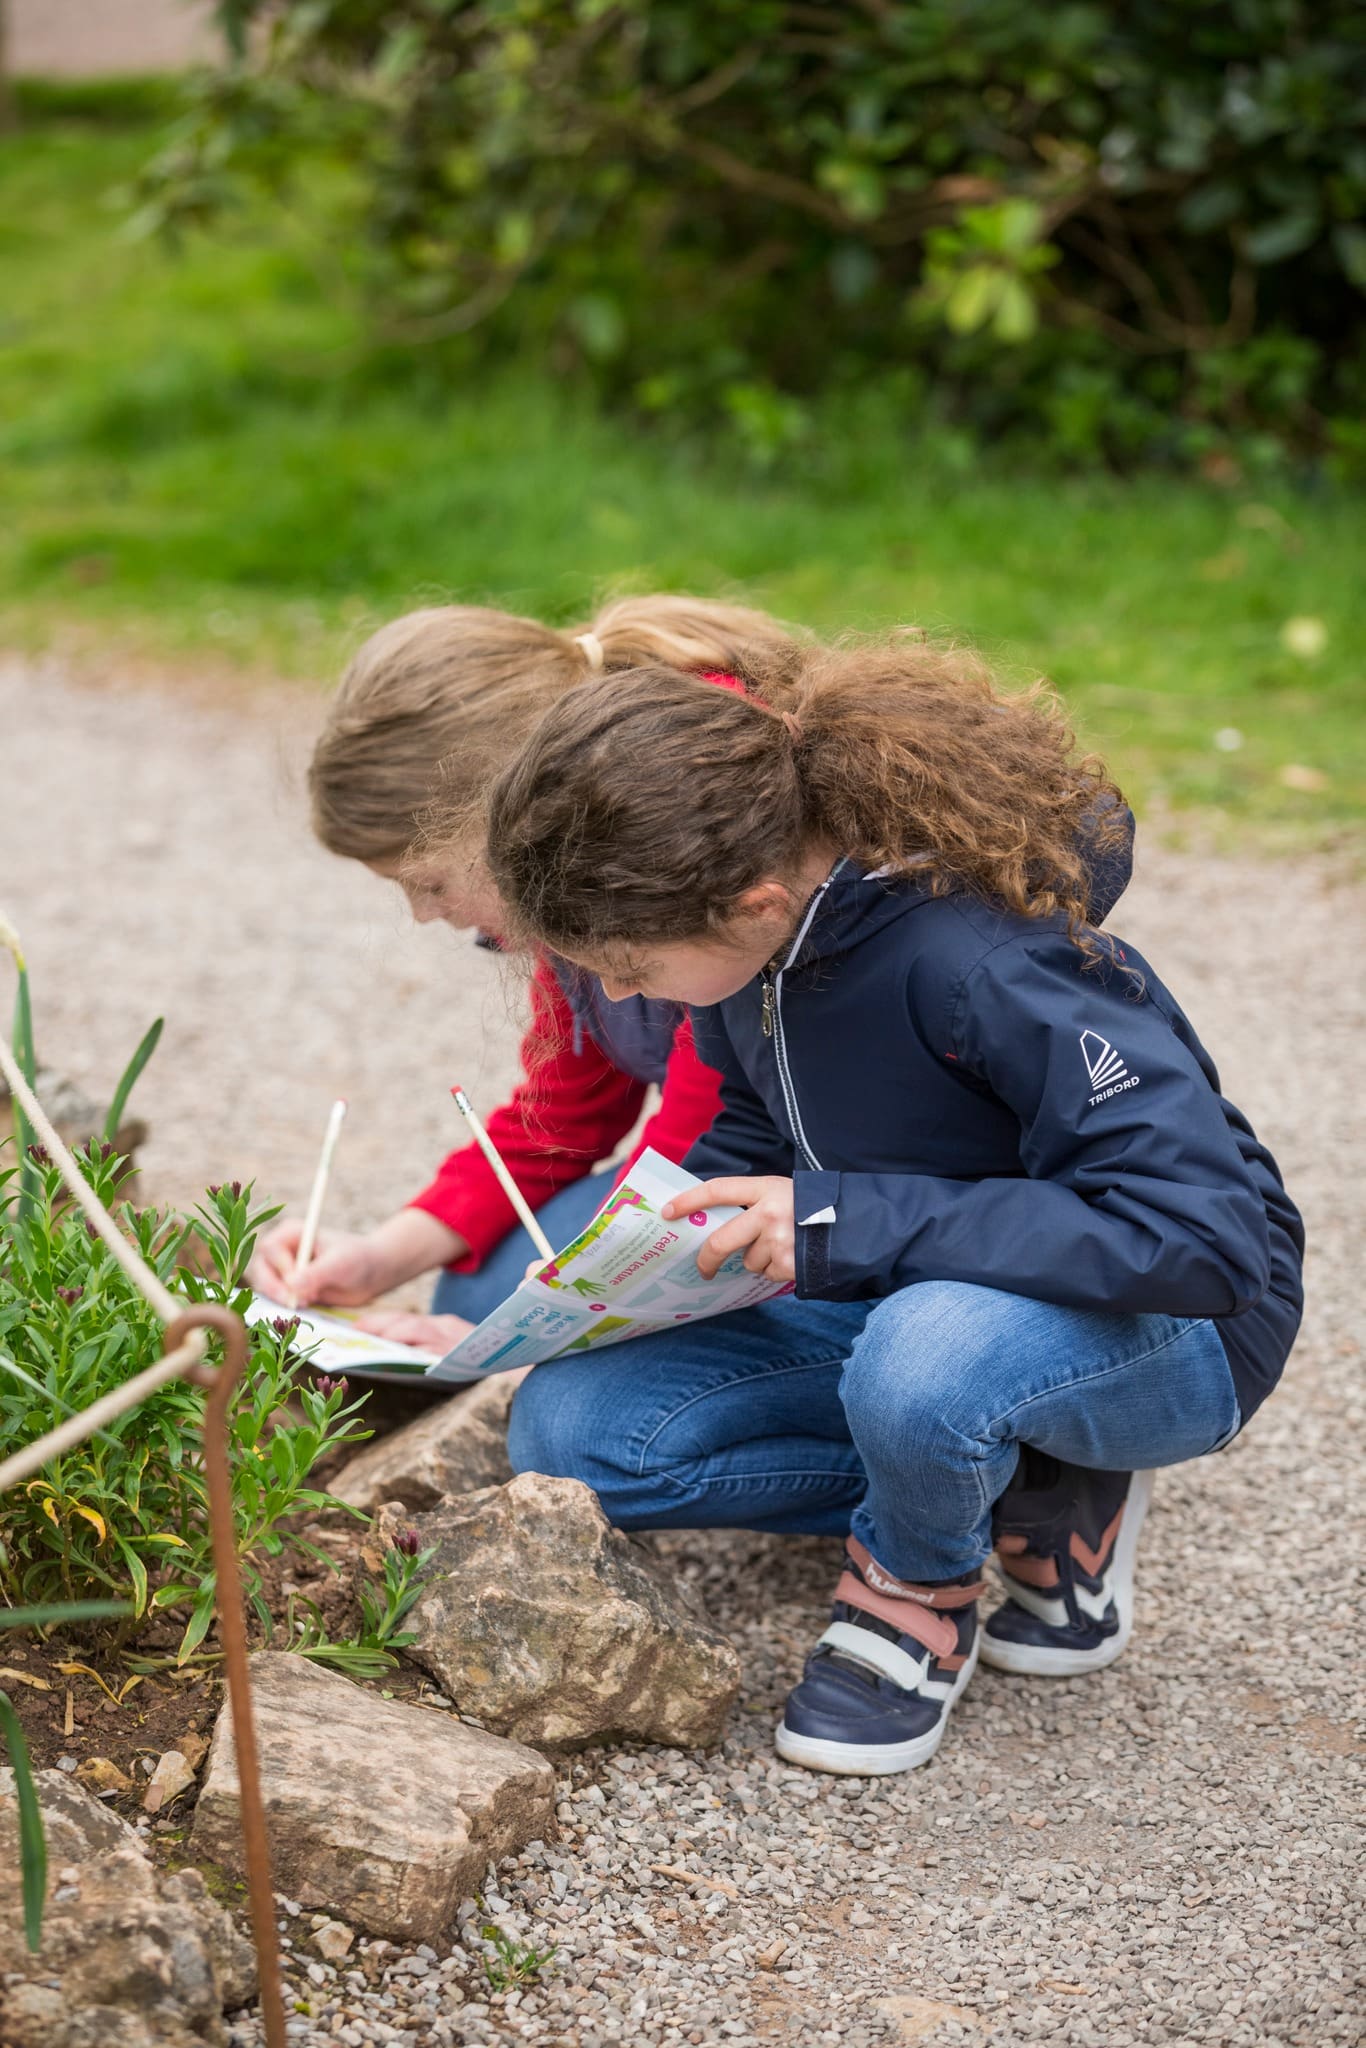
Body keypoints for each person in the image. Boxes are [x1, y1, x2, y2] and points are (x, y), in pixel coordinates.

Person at [477, 638, 1304, 1775]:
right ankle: (1026, 1472)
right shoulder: (751, 958)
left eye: (625, 963)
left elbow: (1203, 1240)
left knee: (927, 1358)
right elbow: (762, 1144)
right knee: (570, 1433)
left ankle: (918, 1580)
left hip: (1174, 1323)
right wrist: (630, 1268)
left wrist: (840, 1222)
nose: (616, 994)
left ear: (754, 898)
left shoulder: (983, 964)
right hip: (912, 1287)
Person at [250, 596, 804, 1344]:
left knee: (507, 1330)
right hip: (726, 1188)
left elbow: (695, 1144)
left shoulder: (680, 846)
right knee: (475, 1286)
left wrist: (527, 1342)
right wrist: (381, 1256)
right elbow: (565, 1110)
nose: (423, 915)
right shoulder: (574, 856)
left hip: (808, 1203)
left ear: (503, 817)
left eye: (431, 882)